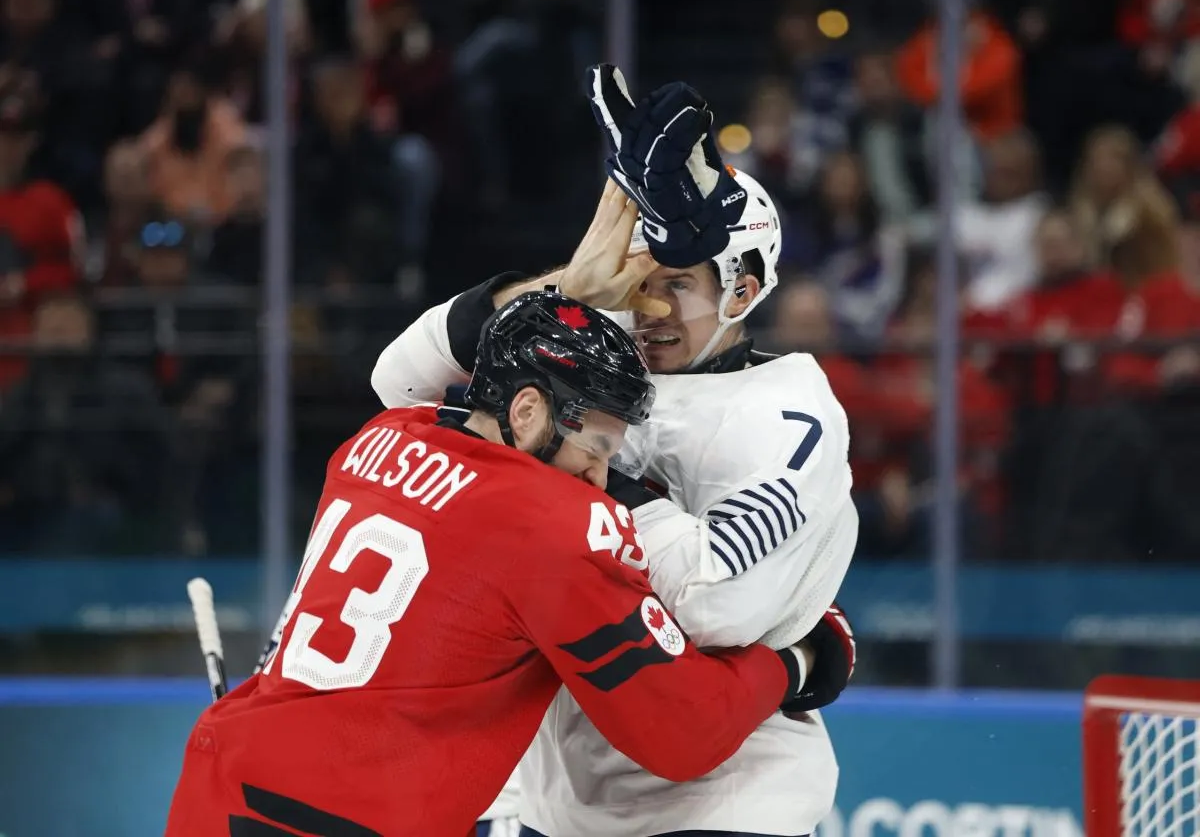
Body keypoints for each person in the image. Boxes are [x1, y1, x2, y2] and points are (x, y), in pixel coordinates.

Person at [165, 291, 818, 837]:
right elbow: (683, 732)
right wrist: (794, 660)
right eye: (594, 446)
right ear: (528, 410)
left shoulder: (376, 441)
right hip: (337, 819)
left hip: (220, 778)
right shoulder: (559, 526)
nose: (598, 477)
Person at [372, 173, 859, 835]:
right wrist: (568, 287)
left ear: (741, 291)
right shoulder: (586, 355)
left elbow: (711, 604)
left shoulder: (788, 413)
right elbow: (399, 384)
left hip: (725, 797)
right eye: (639, 279)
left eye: (676, 285)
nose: (648, 308)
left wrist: (558, 467)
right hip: (564, 797)